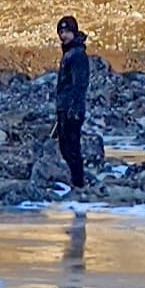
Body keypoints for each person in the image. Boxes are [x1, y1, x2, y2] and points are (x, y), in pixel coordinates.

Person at [50, 18, 94, 193]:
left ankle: (78, 183)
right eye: (61, 32)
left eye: (66, 32)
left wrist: (74, 108)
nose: (63, 36)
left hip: (72, 109)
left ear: (74, 32)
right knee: (65, 146)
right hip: (64, 108)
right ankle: (75, 182)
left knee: (72, 147)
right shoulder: (69, 53)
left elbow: (80, 84)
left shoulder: (77, 55)